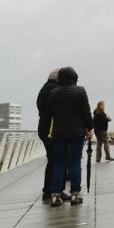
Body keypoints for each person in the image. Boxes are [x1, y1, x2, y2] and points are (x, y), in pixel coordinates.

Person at [47, 67, 93, 206]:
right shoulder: (80, 91)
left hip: (59, 133)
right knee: (75, 162)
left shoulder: (53, 92)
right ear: (74, 77)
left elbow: (49, 112)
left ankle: (55, 195)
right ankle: (75, 194)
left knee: (59, 164)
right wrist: (89, 128)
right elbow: (86, 111)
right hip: (77, 132)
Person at [37, 68, 66, 202]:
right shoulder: (54, 90)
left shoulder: (45, 88)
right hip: (51, 130)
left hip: (44, 128)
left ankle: (54, 190)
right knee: (56, 161)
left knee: (53, 160)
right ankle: (50, 191)